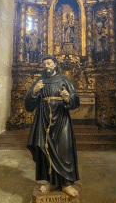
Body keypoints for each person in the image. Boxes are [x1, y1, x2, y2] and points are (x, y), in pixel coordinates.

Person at [25, 55, 80, 197]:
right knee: (45, 150)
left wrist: (68, 98)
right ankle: (50, 181)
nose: (46, 66)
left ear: (55, 64)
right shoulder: (39, 81)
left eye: (49, 63)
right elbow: (29, 106)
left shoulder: (64, 80)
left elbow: (76, 99)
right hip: (43, 120)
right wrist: (35, 91)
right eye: (44, 64)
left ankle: (66, 184)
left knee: (64, 150)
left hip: (62, 120)